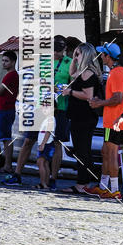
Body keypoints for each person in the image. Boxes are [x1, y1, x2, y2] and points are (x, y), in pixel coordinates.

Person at [84, 42, 123, 199]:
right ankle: (103, 187)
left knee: (111, 154)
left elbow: (118, 98)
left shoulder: (116, 73)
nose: (101, 56)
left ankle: (114, 190)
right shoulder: (117, 72)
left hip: (115, 122)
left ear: (108, 56)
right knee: (105, 152)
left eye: (102, 54)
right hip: (114, 121)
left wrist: (99, 103)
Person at [60, 43, 101, 195]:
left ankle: (82, 183)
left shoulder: (87, 73)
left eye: (78, 54)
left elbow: (88, 96)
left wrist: (70, 92)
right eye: (74, 54)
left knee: (82, 151)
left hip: (84, 117)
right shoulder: (82, 71)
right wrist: (74, 59)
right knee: (81, 150)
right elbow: (72, 74)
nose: (75, 57)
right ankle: (84, 181)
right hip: (80, 116)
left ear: (86, 55)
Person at [50, 36, 73, 189]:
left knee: (57, 143)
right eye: (54, 50)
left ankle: (53, 177)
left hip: (62, 108)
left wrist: (64, 90)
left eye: (59, 50)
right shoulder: (44, 61)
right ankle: (44, 175)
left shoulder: (70, 63)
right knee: (41, 141)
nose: (56, 53)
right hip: (45, 107)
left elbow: (74, 86)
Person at [0, 50, 19, 172]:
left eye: (6, 61)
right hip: (5, 109)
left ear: (13, 62)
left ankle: (7, 165)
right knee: (4, 138)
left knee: (6, 138)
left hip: (6, 109)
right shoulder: (10, 75)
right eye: (2, 60)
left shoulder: (11, 75)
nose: (3, 63)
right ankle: (7, 165)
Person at [36, 114, 55, 190]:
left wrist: (43, 144)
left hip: (47, 144)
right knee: (45, 163)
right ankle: (45, 183)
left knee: (40, 162)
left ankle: (43, 183)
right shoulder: (46, 118)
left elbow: (48, 132)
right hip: (44, 144)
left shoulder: (51, 119)